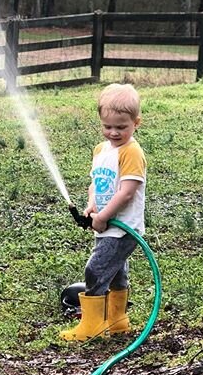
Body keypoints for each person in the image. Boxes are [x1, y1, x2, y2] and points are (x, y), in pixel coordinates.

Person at [60, 82, 146, 342]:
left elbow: (127, 191)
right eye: (108, 126)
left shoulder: (131, 152)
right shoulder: (101, 150)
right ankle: (118, 320)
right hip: (109, 224)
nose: (114, 132)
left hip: (123, 227)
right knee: (117, 271)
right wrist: (92, 205)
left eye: (121, 127)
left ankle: (92, 325)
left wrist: (104, 216)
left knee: (95, 270)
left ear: (136, 122)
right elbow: (96, 184)